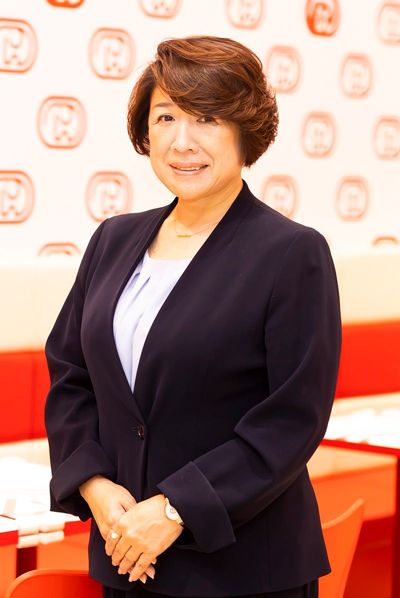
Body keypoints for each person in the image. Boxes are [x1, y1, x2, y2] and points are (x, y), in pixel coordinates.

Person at [44, 35, 342, 598]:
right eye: (166, 118)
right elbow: (70, 373)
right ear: (145, 131)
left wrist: (175, 509)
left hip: (243, 569)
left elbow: (293, 418)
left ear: (245, 131)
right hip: (125, 557)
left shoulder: (291, 253)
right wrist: (94, 484)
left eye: (207, 118)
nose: (183, 142)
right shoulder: (113, 239)